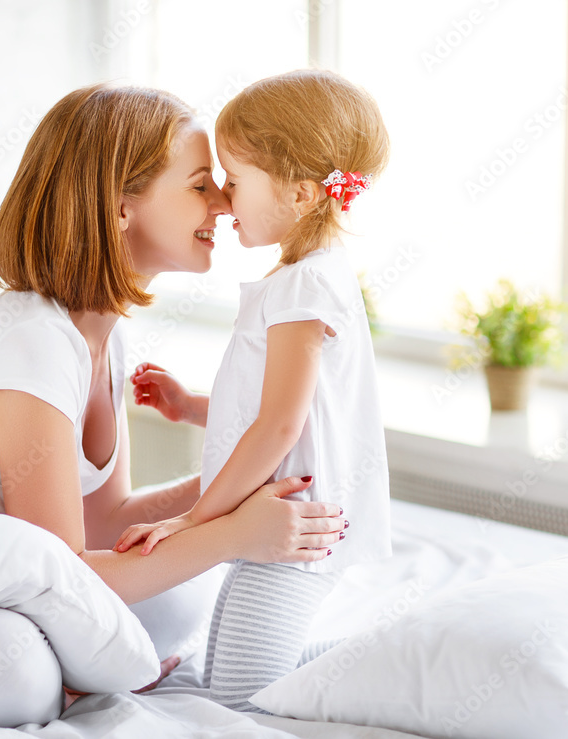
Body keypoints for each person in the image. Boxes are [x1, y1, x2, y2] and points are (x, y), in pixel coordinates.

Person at [0, 83, 346, 728]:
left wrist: (235, 492)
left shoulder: (103, 335)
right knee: (17, 675)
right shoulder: (34, 341)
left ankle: (76, 674)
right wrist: (229, 532)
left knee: (181, 593)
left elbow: (106, 519)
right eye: (200, 184)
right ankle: (58, 679)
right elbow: (60, 573)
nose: (225, 202)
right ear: (119, 207)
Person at [114, 70, 392, 712]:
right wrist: (189, 409)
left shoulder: (302, 289)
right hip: (284, 517)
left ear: (297, 195)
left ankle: (409, 663)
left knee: (239, 694)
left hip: (292, 528)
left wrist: (195, 520)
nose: (220, 199)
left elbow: (279, 428)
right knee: (241, 676)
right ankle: (401, 660)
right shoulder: (305, 279)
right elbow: (283, 412)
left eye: (234, 184)